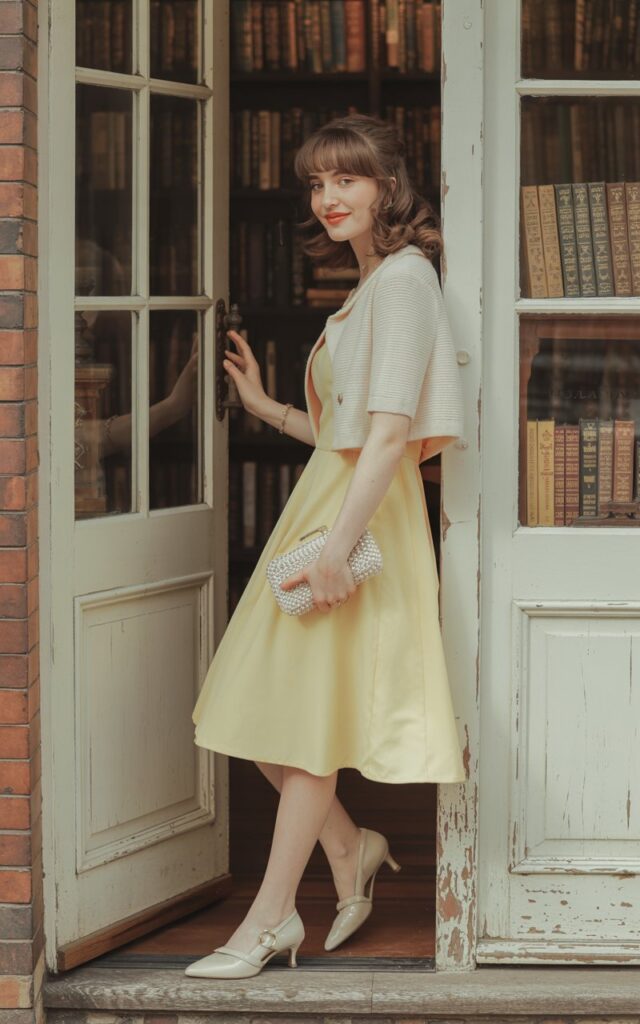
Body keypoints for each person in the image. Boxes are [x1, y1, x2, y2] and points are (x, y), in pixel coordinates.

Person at [185, 113, 466, 980]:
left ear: (388, 185)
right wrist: (267, 407)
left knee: (301, 729)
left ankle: (270, 921)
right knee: (257, 708)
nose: (329, 196)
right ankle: (352, 846)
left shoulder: (405, 283)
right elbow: (348, 431)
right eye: (316, 182)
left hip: (359, 520)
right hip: (333, 505)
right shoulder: (374, 284)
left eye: (347, 178)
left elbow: (388, 438)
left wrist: (341, 549)